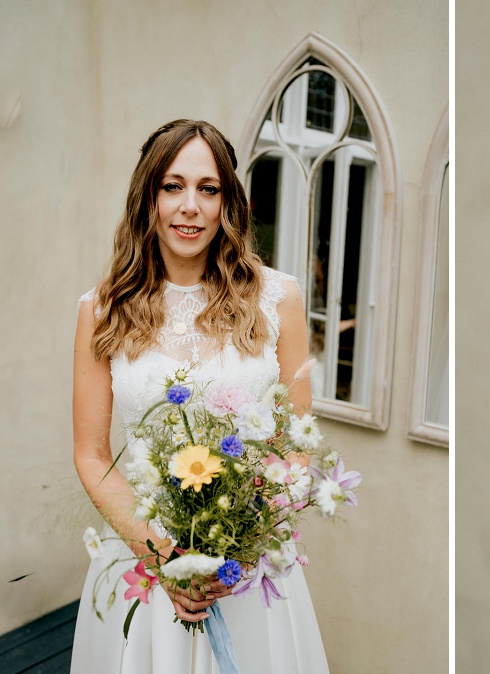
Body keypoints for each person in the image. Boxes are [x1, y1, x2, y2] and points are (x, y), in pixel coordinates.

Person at [70, 120, 330, 672]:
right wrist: (163, 558)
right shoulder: (101, 310)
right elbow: (91, 454)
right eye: (173, 186)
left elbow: (296, 443)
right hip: (145, 561)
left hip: (244, 567)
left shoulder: (277, 299)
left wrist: (238, 543)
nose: (190, 206)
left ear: (227, 202)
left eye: (208, 189)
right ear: (149, 197)